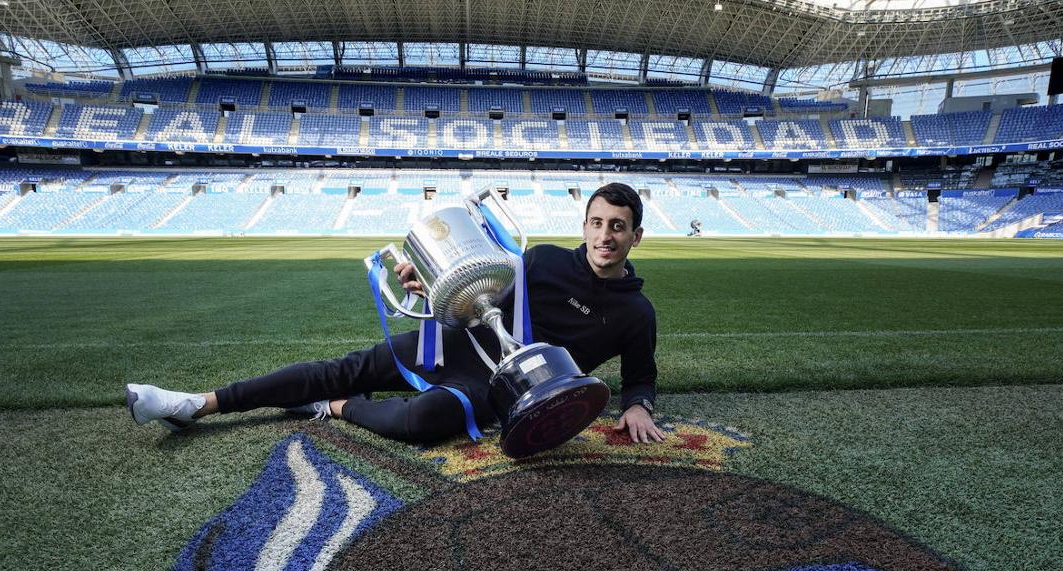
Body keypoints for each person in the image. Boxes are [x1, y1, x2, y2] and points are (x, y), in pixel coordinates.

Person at [126, 182, 664, 445]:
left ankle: (333, 409)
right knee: (347, 366)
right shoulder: (543, 259)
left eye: (618, 226)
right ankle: (197, 403)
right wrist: (430, 291)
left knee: (423, 421)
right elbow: (480, 302)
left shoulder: (636, 313)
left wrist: (638, 405)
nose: (605, 236)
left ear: (635, 235)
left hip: (500, 389)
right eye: (597, 223)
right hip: (462, 346)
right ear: (585, 226)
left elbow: (640, 374)